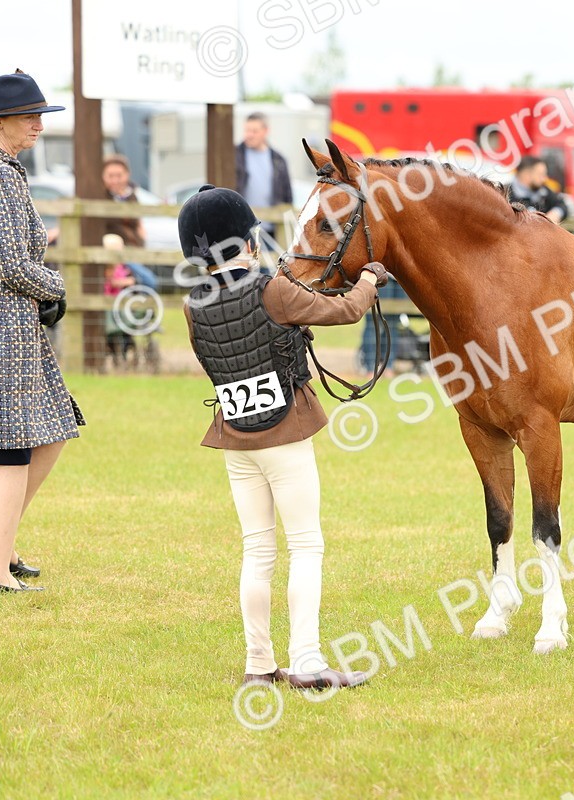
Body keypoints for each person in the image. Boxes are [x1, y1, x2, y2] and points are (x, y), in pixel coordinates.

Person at [179, 184, 386, 690]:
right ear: (246, 242)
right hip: (285, 433)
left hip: (235, 438)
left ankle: (258, 666)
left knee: (258, 551)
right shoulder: (269, 288)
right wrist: (368, 280)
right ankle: (309, 661)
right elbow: (344, 311)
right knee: (307, 545)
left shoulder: (192, 305)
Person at [0, 70, 82, 595]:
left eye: (40, 116)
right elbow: (12, 265)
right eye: (30, 117)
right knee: (13, 446)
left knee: (51, 430)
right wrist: (57, 286)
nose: (38, 126)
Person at [234, 112, 294, 245]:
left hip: (272, 231)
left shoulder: (279, 160)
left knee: (270, 265)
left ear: (266, 131)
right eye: (247, 130)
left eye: (254, 131)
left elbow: (287, 196)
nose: (249, 135)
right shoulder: (234, 155)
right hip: (241, 231)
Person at [101, 233, 136, 367]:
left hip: (120, 303)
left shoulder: (122, 267)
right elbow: (111, 283)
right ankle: (116, 350)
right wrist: (125, 281)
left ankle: (123, 351)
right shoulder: (105, 268)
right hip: (109, 304)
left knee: (126, 320)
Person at [102, 154, 146, 248]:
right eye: (110, 176)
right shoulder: (99, 197)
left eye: (119, 175)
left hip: (134, 247)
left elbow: (139, 225)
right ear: (103, 176)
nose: (115, 181)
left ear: (127, 174)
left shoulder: (132, 196)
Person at [507, 156, 568, 223]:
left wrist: (556, 213)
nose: (545, 179)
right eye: (541, 175)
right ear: (527, 175)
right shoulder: (506, 196)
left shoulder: (543, 191)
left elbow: (561, 204)